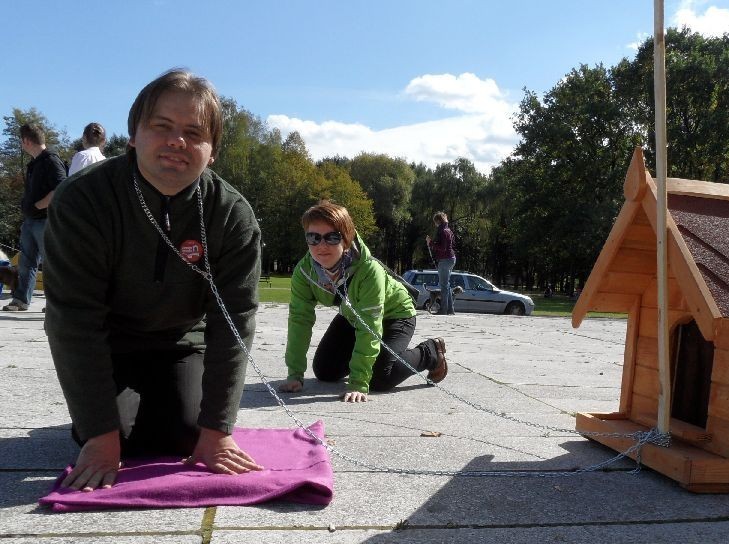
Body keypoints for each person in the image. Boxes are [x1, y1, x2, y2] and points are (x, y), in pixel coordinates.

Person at [44, 69, 264, 492]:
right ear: (133, 135)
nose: (176, 142)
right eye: (161, 126)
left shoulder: (232, 215)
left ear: (212, 150)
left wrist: (218, 431)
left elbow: (234, 320)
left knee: (187, 433)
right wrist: (99, 436)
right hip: (109, 343)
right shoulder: (83, 200)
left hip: (181, 343)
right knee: (118, 438)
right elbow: (72, 317)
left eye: (193, 133)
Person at [279, 201, 448, 402]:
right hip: (353, 314)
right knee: (325, 371)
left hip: (396, 314)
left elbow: (369, 325)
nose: (321, 246)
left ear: (347, 239)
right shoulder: (304, 271)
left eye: (332, 237)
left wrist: (359, 381)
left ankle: (430, 353)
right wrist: (294, 374)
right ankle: (373, 358)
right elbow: (300, 319)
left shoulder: (369, 271)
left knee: (380, 378)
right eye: (313, 237)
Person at [2, 124, 67, 312]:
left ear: (26, 141)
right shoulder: (35, 162)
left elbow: (61, 188)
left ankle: (56, 303)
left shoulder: (51, 160)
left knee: (51, 263)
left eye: (21, 142)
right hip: (31, 222)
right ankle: (21, 300)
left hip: (45, 221)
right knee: (26, 263)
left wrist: (39, 205)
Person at [425, 211, 456, 315]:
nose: (435, 224)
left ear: (438, 221)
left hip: (445, 260)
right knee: (447, 285)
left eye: (435, 222)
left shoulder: (442, 231)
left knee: (443, 286)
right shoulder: (449, 230)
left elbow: (442, 248)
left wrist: (431, 243)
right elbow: (450, 245)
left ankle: (443, 310)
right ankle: (450, 310)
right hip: (451, 258)